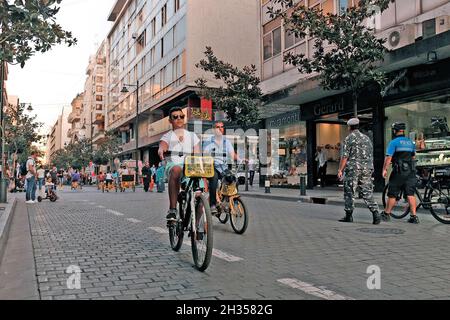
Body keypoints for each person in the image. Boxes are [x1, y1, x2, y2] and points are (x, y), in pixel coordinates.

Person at [158, 107, 200, 221]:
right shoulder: (167, 136)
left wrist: (196, 156)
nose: (179, 119)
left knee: (200, 194)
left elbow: (196, 151)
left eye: (181, 116)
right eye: (175, 117)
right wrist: (161, 150)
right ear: (170, 120)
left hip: (190, 167)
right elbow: (163, 145)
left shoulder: (192, 136)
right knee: (176, 169)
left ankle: (198, 228)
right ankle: (172, 209)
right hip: (174, 165)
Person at [337, 118, 381, 224]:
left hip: (353, 169)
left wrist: (340, 170)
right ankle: (376, 214)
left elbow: (345, 156)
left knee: (349, 192)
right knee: (367, 191)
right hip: (367, 168)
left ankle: (349, 216)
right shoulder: (367, 138)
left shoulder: (349, 138)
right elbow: (371, 154)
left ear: (349, 127)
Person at [382, 122, 419, 224]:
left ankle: (386, 214)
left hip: (399, 171)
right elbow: (413, 157)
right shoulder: (410, 142)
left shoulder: (393, 142)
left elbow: (388, 158)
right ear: (403, 131)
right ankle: (414, 216)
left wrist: (384, 170)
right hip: (411, 171)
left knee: (393, 193)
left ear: (395, 131)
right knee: (410, 194)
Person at [203, 121, 239, 215]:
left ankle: (230, 201)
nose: (220, 128)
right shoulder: (208, 141)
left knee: (232, 178)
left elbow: (232, 154)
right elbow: (205, 155)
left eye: (222, 127)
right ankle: (213, 205)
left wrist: (240, 159)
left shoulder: (226, 141)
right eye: (217, 127)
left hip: (223, 167)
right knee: (214, 179)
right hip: (212, 166)